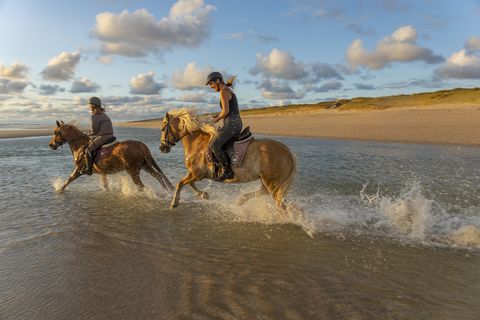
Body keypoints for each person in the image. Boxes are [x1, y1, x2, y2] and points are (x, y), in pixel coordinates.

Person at [206, 72, 243, 182]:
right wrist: (217, 115)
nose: (211, 87)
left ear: (217, 81)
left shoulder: (223, 91)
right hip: (234, 122)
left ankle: (228, 171)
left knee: (213, 145)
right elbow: (227, 111)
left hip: (232, 123)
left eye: (211, 84)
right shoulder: (228, 90)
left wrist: (215, 119)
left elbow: (226, 111)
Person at [82, 97, 114, 175]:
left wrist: (87, 134)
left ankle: (89, 170)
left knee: (88, 150)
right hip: (110, 135)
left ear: (93, 105)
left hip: (103, 137)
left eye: (90, 104)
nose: (89, 106)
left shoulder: (94, 115)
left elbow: (95, 131)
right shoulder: (103, 113)